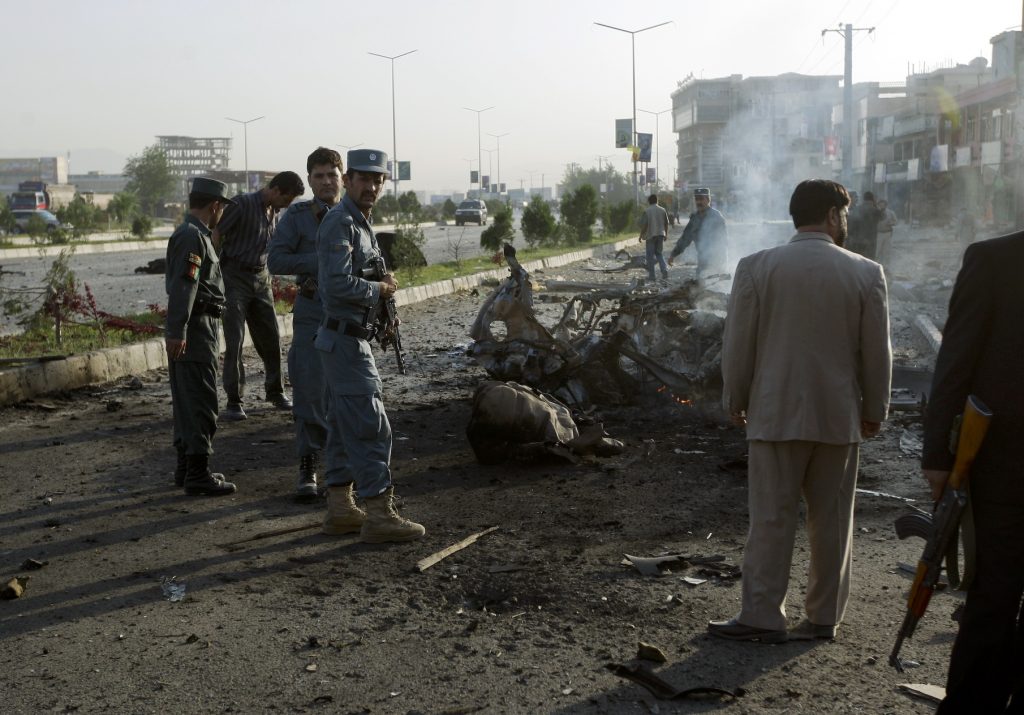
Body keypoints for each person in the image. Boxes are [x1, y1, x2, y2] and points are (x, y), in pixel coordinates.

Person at [712, 179, 891, 643]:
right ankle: (823, 618)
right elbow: (877, 354)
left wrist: (736, 398)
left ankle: (762, 616)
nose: (845, 223)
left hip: (773, 415)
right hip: (838, 418)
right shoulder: (866, 272)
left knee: (771, 518)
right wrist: (875, 408)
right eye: (844, 215)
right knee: (831, 521)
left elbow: (738, 344)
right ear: (832, 216)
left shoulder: (756, 268)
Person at [921, 231, 1024, 713]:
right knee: (993, 601)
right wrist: (937, 455)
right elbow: (956, 360)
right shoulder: (996, 260)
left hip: (1005, 466)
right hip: (1005, 466)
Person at [315, 149, 425, 543]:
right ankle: (379, 514)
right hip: (344, 342)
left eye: (378, 180)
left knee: (344, 428)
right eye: (364, 179)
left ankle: (342, 510)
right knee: (371, 427)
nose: (372, 186)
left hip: (348, 339)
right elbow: (335, 284)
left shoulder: (360, 224)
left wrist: (381, 280)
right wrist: (377, 288)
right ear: (349, 181)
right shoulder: (340, 223)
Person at [268, 148, 344, 500]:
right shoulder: (298, 216)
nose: (327, 181)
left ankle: (343, 471)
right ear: (310, 180)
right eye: (319, 175)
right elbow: (276, 259)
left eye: (332, 173)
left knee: (348, 393)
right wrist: (320, 260)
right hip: (313, 312)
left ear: (341, 176)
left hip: (349, 314)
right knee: (310, 391)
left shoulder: (355, 214)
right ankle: (308, 467)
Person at [165, 177, 238, 497]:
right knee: (201, 401)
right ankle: (197, 472)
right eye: (222, 207)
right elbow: (185, 287)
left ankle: (186, 468)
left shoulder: (191, 234)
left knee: (187, 400)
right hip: (197, 330)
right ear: (215, 206)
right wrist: (178, 330)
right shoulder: (193, 237)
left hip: (194, 328)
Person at [213, 171, 305, 421]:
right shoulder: (242, 204)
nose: (286, 206)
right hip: (234, 277)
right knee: (235, 341)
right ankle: (234, 400)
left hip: (261, 278)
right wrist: (213, 272)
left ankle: (275, 392)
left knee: (271, 338)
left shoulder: (274, 212)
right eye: (286, 199)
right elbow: (217, 233)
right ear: (276, 190)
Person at [668, 187, 728, 279]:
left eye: (701, 199)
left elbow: (723, 241)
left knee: (715, 288)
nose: (699, 202)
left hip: (716, 260)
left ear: (708, 200)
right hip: (702, 261)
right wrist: (673, 254)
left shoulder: (717, 217)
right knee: (701, 286)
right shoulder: (695, 218)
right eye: (697, 199)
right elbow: (685, 238)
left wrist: (722, 263)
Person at [638, 193, 670, 283]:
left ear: (649, 201)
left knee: (650, 257)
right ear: (657, 201)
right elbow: (666, 223)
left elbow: (644, 225)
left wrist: (641, 235)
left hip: (651, 235)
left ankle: (652, 276)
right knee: (659, 254)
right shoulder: (663, 210)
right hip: (660, 235)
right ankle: (664, 270)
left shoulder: (647, 211)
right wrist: (666, 234)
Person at [847, 190, 881, 260]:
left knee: (857, 259)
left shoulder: (856, 209)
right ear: (873, 199)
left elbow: (851, 224)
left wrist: (851, 236)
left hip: (857, 240)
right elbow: (883, 218)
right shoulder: (875, 210)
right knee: (869, 261)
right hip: (870, 240)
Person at [875, 198, 897, 270]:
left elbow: (895, 222)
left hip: (887, 233)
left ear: (886, 205)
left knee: (886, 250)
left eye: (883, 204)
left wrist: (890, 223)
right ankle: (877, 265)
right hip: (879, 233)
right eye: (880, 204)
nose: (882, 205)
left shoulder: (890, 212)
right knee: (878, 250)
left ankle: (886, 266)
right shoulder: (876, 212)